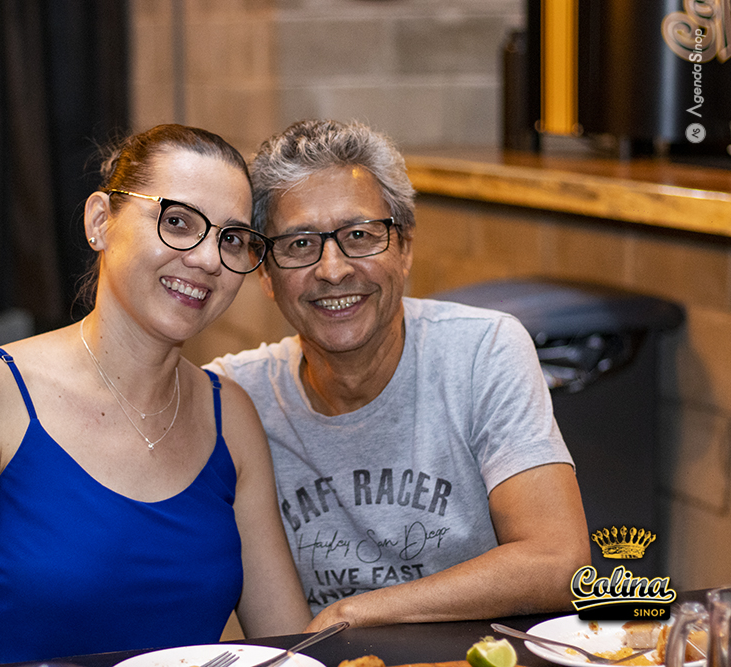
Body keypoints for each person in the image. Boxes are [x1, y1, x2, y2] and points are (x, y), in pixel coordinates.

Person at [0, 124, 312, 666]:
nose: (208, 259)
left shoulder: (230, 414)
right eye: (177, 222)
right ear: (100, 222)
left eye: (231, 239)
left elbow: (289, 645)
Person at [205, 119, 590, 631]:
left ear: (404, 248)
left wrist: (352, 612)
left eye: (360, 236)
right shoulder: (237, 399)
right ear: (266, 273)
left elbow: (558, 561)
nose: (333, 269)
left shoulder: (482, 350)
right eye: (299, 245)